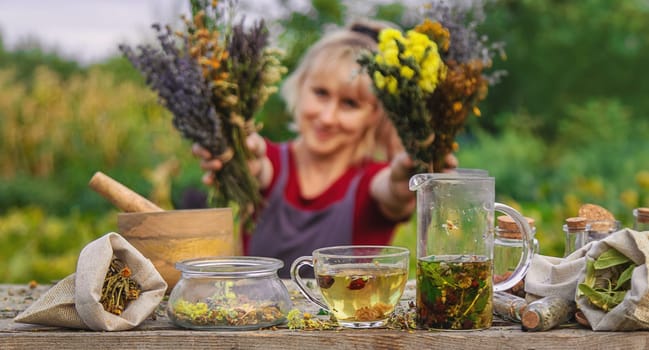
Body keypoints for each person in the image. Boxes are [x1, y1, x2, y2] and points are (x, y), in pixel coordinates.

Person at [192, 19, 456, 277]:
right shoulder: (271, 161)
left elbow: (392, 192)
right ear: (300, 85)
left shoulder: (373, 181)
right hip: (254, 316)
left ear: (375, 115)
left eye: (350, 103)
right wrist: (241, 157)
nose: (328, 117)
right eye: (320, 93)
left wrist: (405, 179)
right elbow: (259, 167)